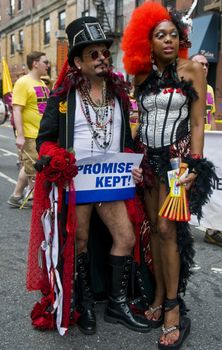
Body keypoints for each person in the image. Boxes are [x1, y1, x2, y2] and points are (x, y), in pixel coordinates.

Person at [26, 17, 151, 335]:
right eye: (93, 55)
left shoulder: (120, 96)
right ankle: (80, 304)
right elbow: (44, 141)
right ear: (78, 62)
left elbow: (127, 141)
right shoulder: (63, 99)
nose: (102, 59)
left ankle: (117, 303)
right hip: (77, 182)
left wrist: (134, 164)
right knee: (78, 241)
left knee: (125, 237)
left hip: (109, 181)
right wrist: (58, 158)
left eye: (104, 53)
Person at [122, 2, 215, 349]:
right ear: (148, 41)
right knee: (150, 233)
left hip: (177, 163)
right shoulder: (141, 75)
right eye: (160, 35)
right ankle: (158, 296)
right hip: (146, 161)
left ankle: (173, 309)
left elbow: (196, 123)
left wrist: (194, 164)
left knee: (167, 229)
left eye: (173, 34)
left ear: (181, 38)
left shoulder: (192, 70)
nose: (168, 40)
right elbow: (138, 120)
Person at [7, 51, 50, 208]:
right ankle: (36, 200)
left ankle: (17, 195)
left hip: (42, 134)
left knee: (30, 166)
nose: (48, 65)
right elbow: (17, 109)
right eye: (45, 62)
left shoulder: (42, 83)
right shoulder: (23, 82)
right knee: (34, 168)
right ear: (35, 63)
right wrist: (20, 136)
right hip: (31, 135)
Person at [191, 54, 222, 248]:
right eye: (199, 64)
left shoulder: (209, 89)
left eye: (206, 65)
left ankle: (212, 229)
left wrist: (216, 138)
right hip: (191, 144)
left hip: (207, 143)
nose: (204, 67)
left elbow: (209, 117)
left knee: (209, 186)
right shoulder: (184, 85)